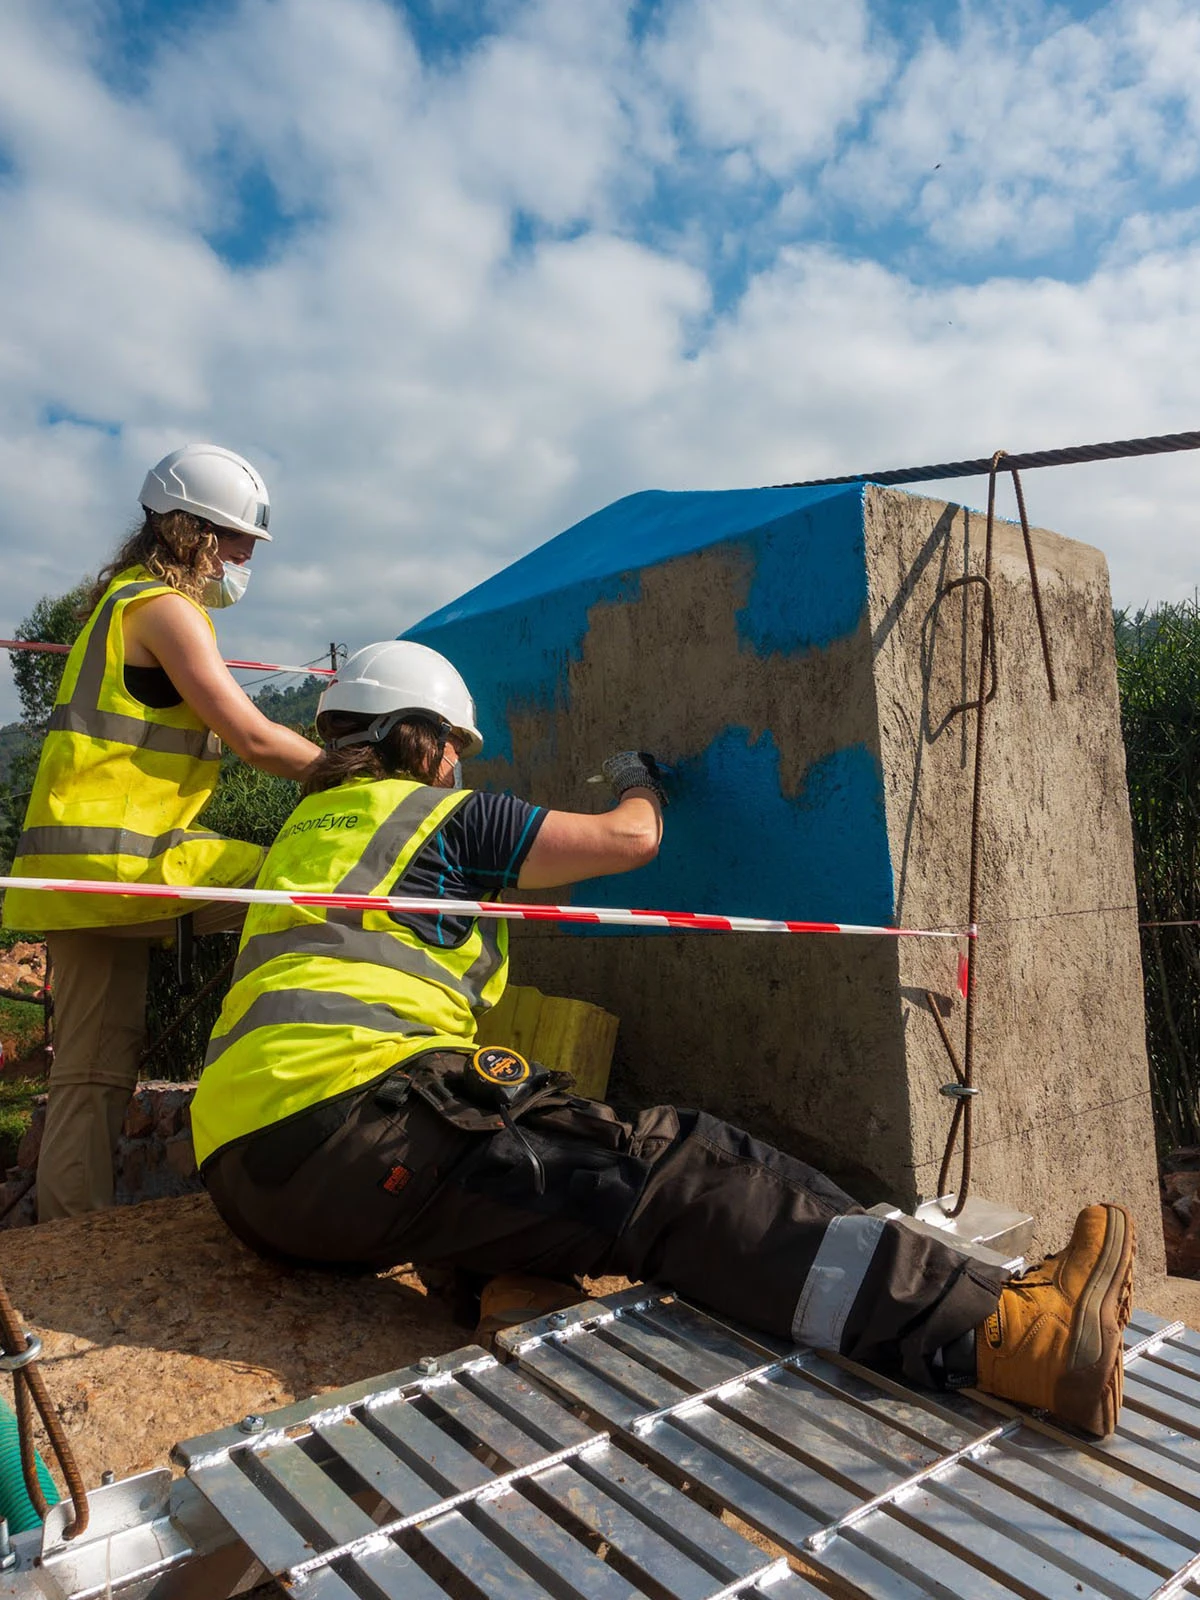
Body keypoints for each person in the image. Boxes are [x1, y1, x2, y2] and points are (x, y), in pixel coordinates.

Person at [192, 640, 1135, 1439]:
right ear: (423, 739)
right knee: (681, 1171)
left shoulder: (303, 832)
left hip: (250, 1177)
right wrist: (644, 782)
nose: (458, 766)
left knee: (528, 1156)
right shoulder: (441, 815)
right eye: (454, 748)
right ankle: (1004, 1333)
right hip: (358, 1134)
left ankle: (510, 1283)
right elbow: (627, 841)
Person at [3, 444, 322, 1220]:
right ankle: (297, 1087)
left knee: (87, 1075)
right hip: (126, 863)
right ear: (194, 533)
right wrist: (359, 774)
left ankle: (70, 1256)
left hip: (73, 879)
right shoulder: (164, 610)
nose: (246, 558)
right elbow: (252, 737)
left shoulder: (116, 605)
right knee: (311, 883)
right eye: (239, 540)